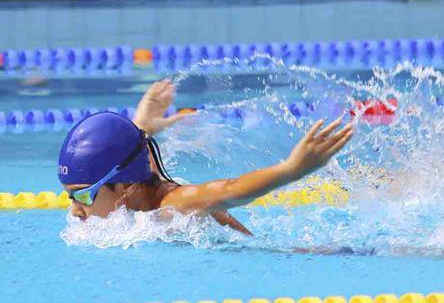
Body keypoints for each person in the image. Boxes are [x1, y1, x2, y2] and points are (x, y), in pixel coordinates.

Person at [59, 79, 353, 235]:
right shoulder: (137, 187)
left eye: (82, 196)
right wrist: (142, 125)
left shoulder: (174, 204)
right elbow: (130, 154)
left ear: (124, 188)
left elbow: (228, 192)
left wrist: (292, 169)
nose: (74, 210)